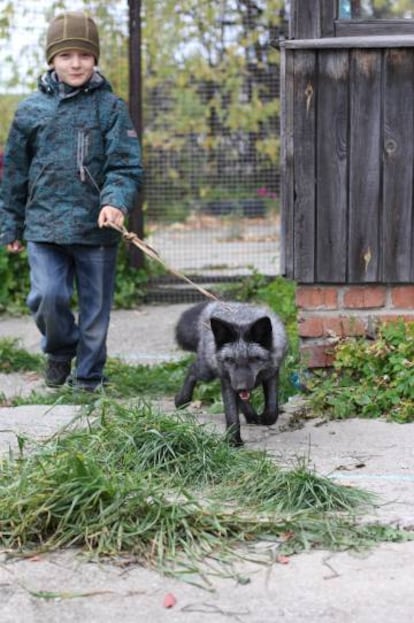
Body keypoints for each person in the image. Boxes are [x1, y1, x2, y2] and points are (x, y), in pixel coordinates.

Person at [0, 11, 143, 391]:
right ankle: (60, 350)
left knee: (95, 313)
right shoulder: (31, 110)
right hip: (43, 226)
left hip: (96, 229)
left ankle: (89, 380)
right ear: (52, 60)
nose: (75, 63)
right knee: (47, 296)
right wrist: (10, 223)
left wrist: (115, 202)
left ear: (95, 58)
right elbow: (14, 171)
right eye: (65, 55)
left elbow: (125, 164)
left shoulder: (110, 107)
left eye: (83, 54)